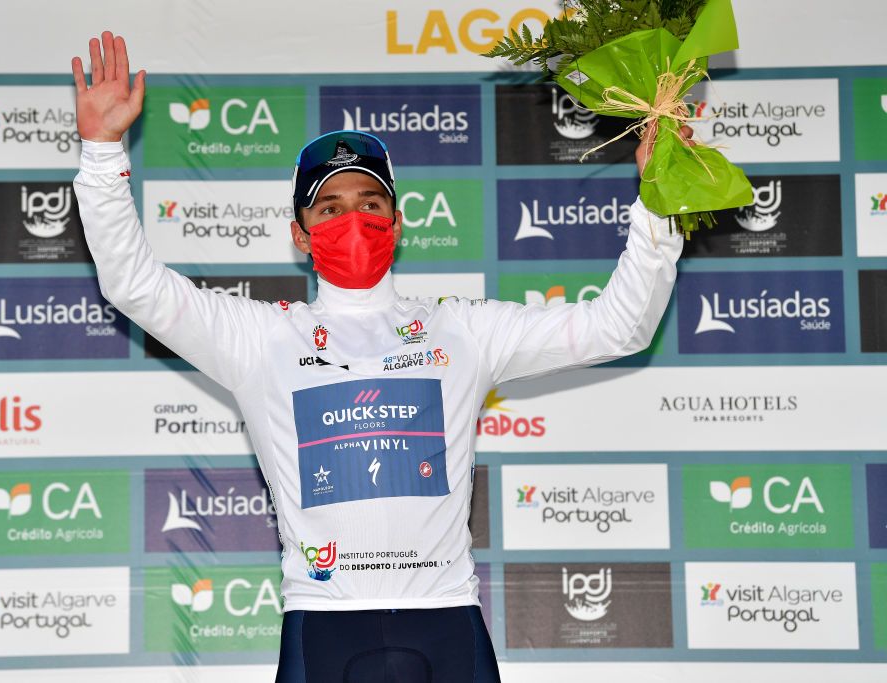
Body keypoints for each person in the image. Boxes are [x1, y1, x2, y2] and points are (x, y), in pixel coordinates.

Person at [72, 31, 689, 683]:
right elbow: (133, 283)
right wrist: (101, 153)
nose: (353, 220)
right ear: (299, 232)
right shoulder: (258, 339)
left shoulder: (460, 329)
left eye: (370, 204)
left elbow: (620, 326)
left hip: (446, 621)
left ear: (397, 223)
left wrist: (656, 206)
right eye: (330, 208)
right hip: (323, 623)